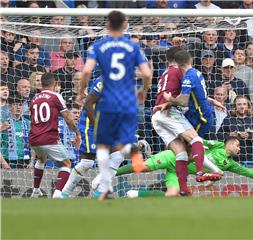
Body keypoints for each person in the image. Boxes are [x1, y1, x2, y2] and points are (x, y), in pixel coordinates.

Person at [78, 10, 152, 200]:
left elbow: (86, 71)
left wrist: (81, 91)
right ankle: (134, 150)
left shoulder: (99, 46)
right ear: (125, 25)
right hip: (128, 101)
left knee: (103, 145)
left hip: (108, 101)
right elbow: (147, 73)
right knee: (121, 143)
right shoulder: (132, 47)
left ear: (108, 25)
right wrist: (143, 91)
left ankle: (107, 189)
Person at [115, 137, 253, 197]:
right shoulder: (217, 145)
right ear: (229, 143)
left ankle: (136, 194)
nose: (239, 148)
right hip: (174, 157)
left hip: (179, 172)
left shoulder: (230, 164)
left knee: (172, 195)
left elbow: (249, 172)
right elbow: (197, 141)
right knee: (142, 167)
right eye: (237, 145)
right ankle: (112, 173)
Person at [153, 48, 222, 196]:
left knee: (182, 154)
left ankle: (183, 189)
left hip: (157, 116)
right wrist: (170, 101)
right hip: (173, 113)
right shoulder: (182, 73)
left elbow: (191, 94)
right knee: (195, 140)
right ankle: (201, 172)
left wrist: (169, 101)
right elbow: (185, 100)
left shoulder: (165, 73)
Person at [29, 72, 81, 198]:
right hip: (49, 138)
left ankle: (36, 190)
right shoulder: (56, 96)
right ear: (55, 83)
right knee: (67, 164)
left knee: (41, 159)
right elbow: (68, 118)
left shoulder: (34, 98)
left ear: (41, 83)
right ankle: (58, 194)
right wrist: (77, 133)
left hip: (34, 139)